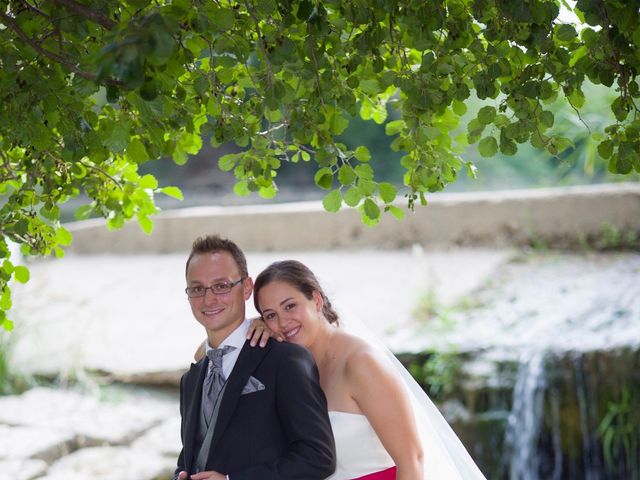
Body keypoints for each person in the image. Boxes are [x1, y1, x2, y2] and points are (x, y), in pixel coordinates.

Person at [198, 259, 488, 479]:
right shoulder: (285, 365)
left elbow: (412, 459)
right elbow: (203, 357)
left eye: (290, 306)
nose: (283, 323)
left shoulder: (361, 363)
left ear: (317, 299)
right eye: (271, 315)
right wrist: (248, 329)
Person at [174, 236, 336, 480]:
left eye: (221, 286)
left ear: (247, 287)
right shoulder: (192, 378)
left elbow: (318, 457)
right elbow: (192, 455)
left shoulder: (285, 360)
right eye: (197, 289)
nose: (208, 299)